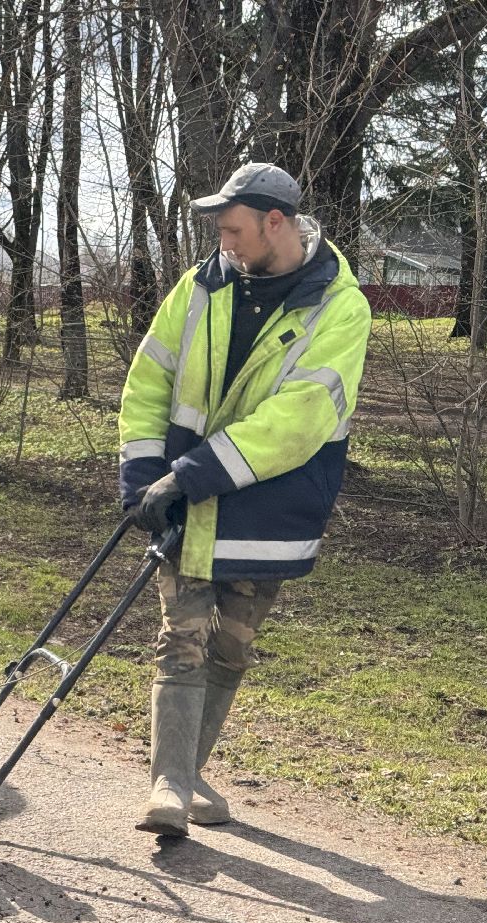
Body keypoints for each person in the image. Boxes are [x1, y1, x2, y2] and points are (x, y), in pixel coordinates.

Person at [117, 162, 370, 837]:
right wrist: (144, 475)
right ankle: (167, 787)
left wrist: (191, 473)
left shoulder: (340, 306)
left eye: (233, 228)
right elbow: (150, 378)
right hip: (189, 500)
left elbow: (302, 419)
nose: (223, 241)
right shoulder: (203, 285)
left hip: (270, 507)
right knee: (182, 640)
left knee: (230, 648)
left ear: (275, 223)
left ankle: (188, 770)